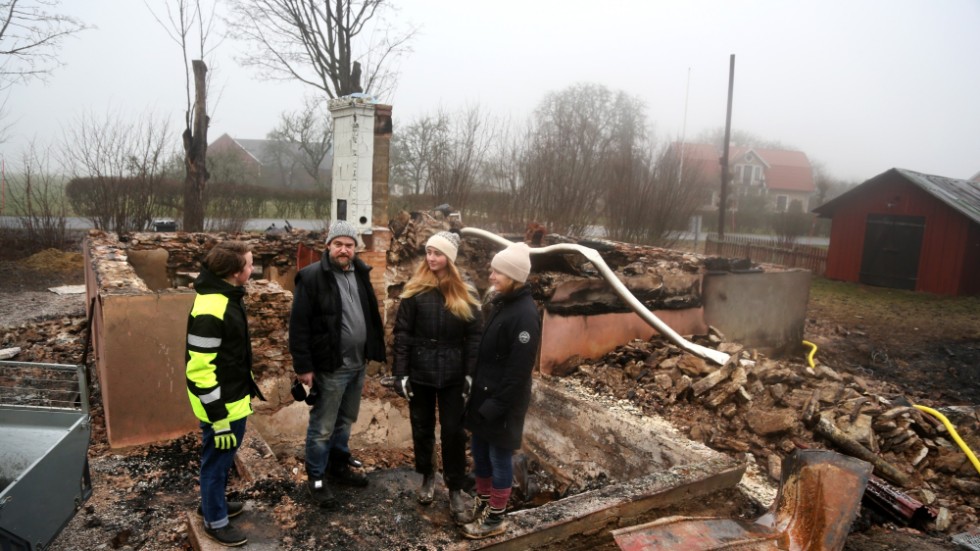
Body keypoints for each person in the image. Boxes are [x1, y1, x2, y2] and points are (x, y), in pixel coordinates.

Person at [289, 220, 386, 509]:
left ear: (356, 249)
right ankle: (316, 478)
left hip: (358, 364)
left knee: (346, 421)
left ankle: (338, 466)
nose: (344, 249)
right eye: (339, 244)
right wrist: (303, 365)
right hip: (331, 366)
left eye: (349, 245)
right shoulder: (311, 277)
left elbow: (369, 315)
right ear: (329, 246)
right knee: (322, 426)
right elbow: (299, 325)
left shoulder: (361, 273)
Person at [392, 231, 482, 522]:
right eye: (428, 252)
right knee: (422, 428)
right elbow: (402, 334)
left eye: (438, 253)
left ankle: (455, 487)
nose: (431, 258)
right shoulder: (415, 289)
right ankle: (428, 475)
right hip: (420, 371)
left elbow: (474, 336)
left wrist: (470, 374)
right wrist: (400, 373)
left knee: (453, 433)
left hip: (454, 374)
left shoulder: (465, 291)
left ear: (449, 259)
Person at [459, 242, 540, 540]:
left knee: (499, 457)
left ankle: (495, 518)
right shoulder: (502, 302)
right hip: (484, 395)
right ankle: (482, 503)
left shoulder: (525, 316)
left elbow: (518, 373)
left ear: (514, 276)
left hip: (503, 402)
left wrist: (495, 405)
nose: (491, 276)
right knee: (480, 453)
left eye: (497, 272)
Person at [185, 240, 263, 547]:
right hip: (221, 406)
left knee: (222, 458)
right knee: (216, 463)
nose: (252, 268)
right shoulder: (212, 308)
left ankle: (211, 502)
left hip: (232, 397)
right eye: (249, 264)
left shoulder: (227, 295)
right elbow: (200, 370)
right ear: (234, 272)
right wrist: (217, 419)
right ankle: (214, 521)